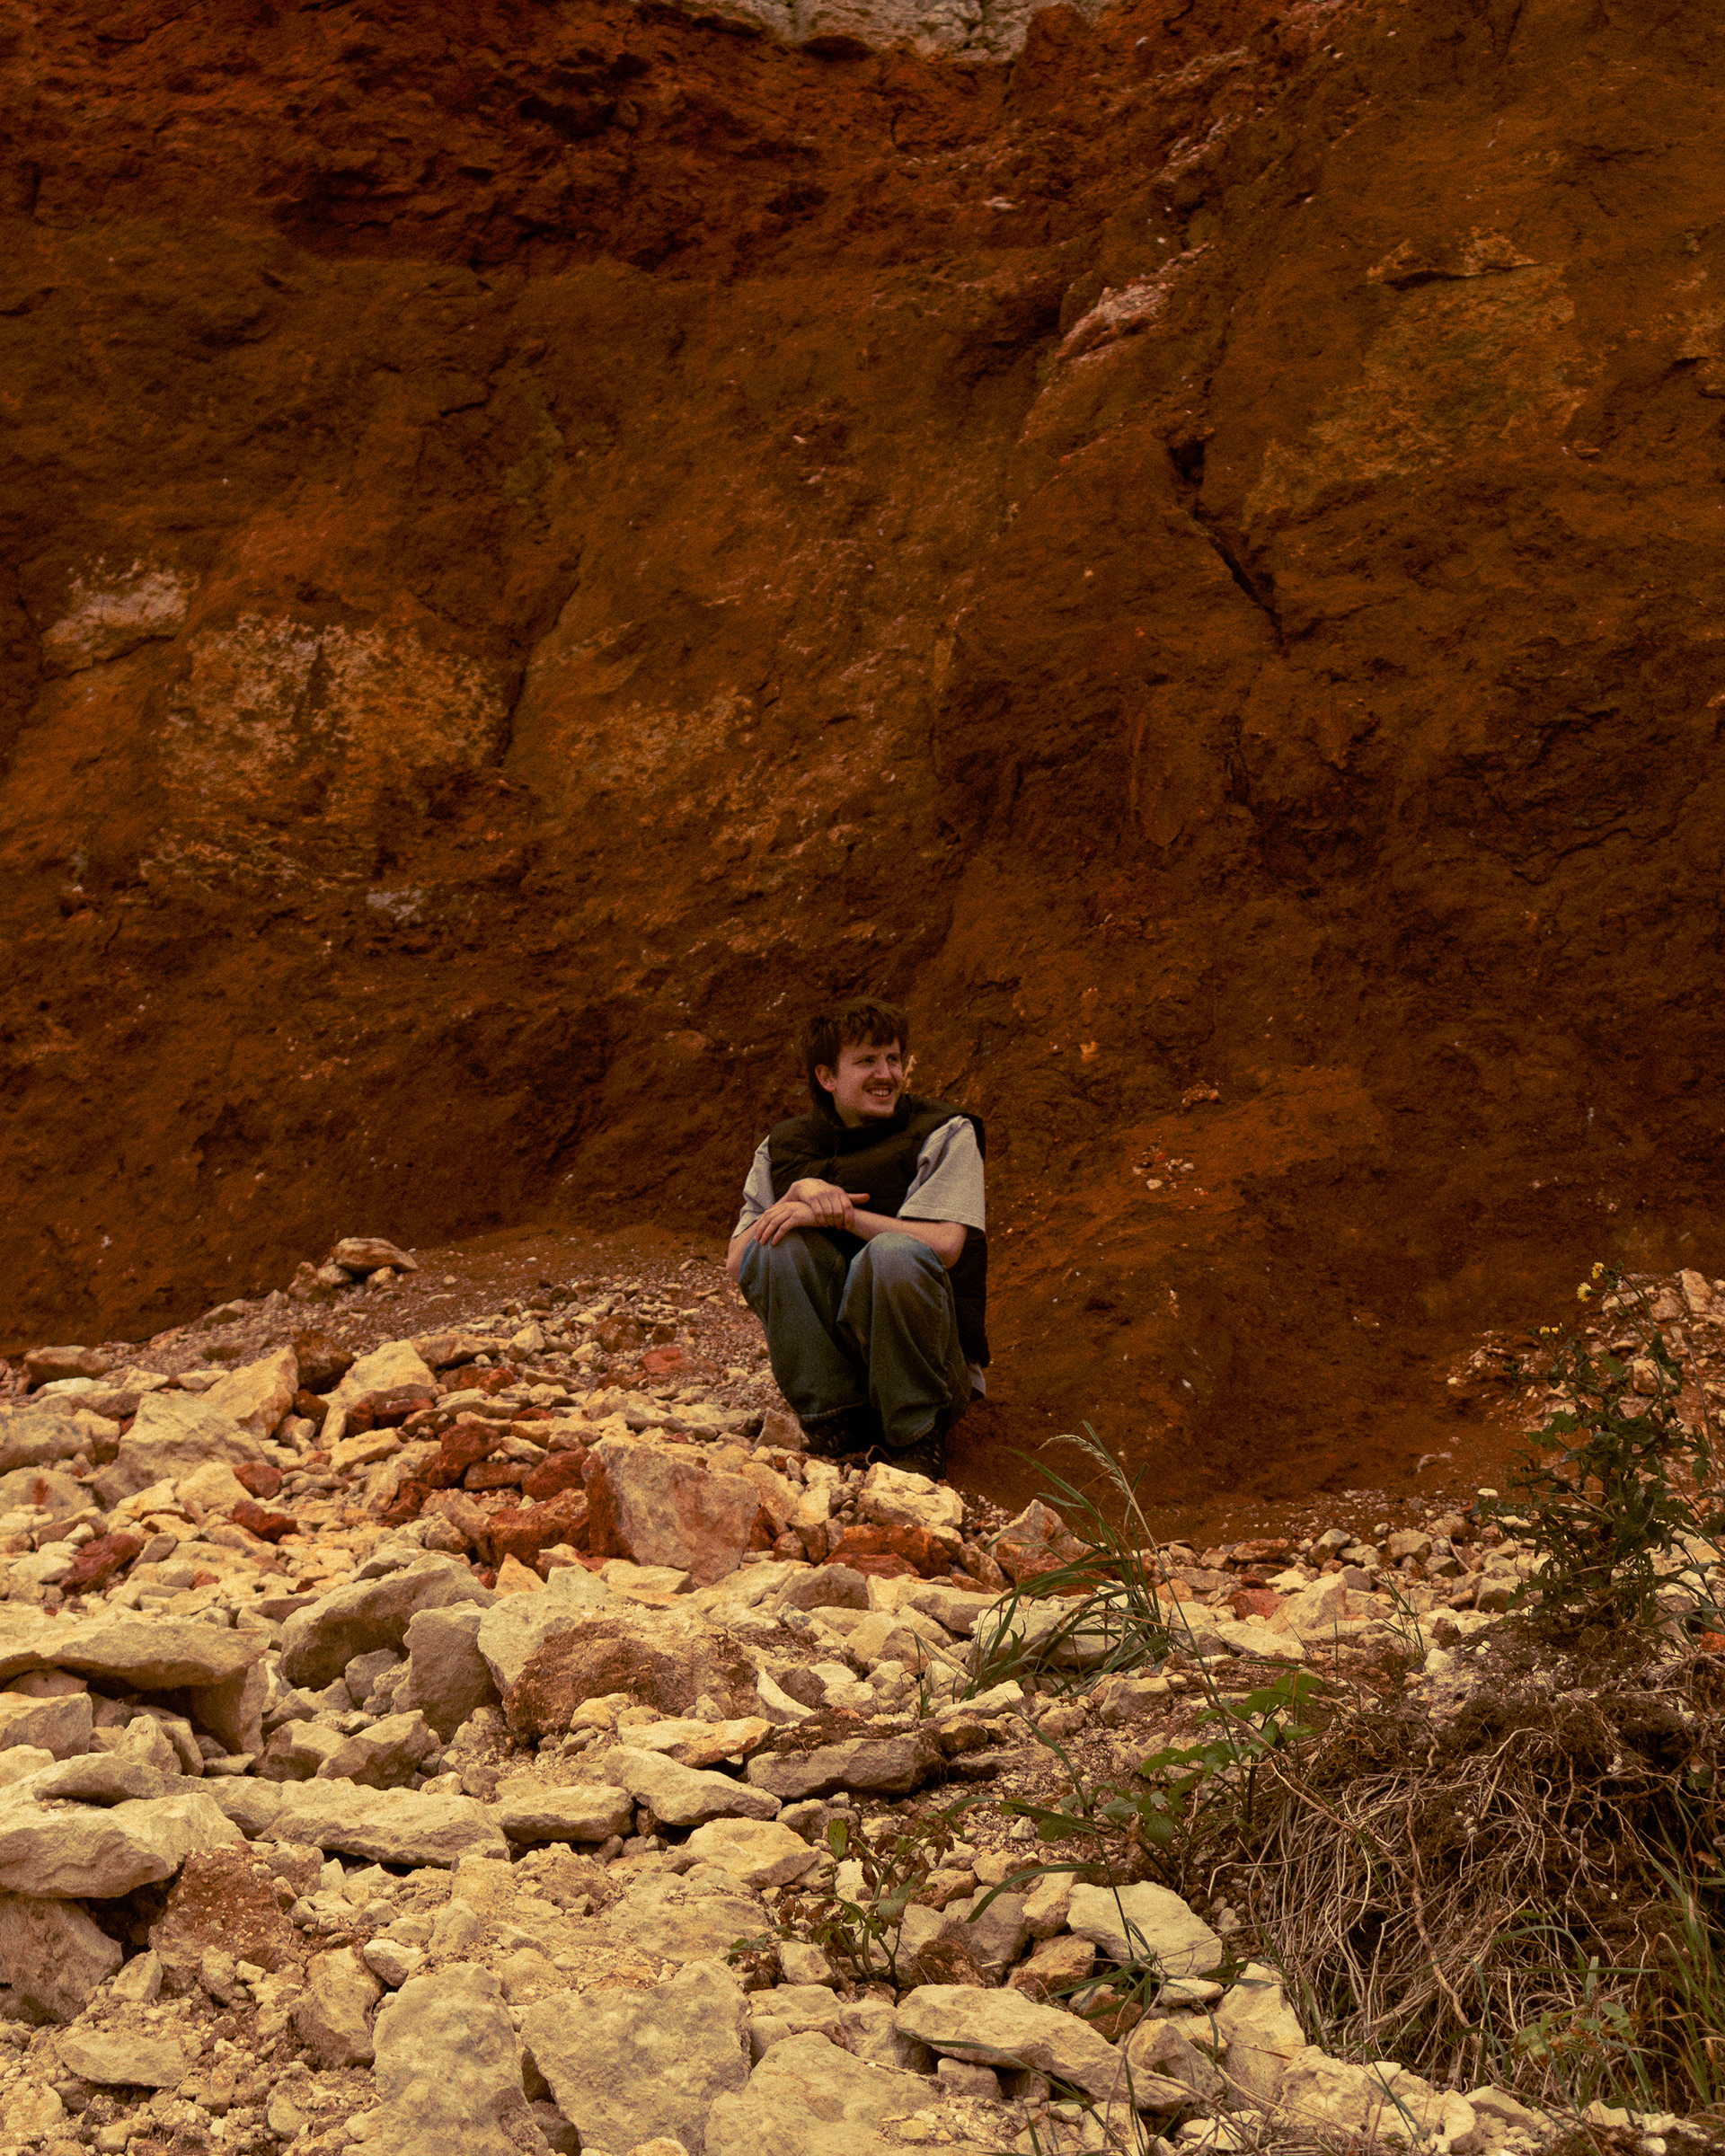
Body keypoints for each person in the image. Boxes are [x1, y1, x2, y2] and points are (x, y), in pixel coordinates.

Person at [725, 996, 988, 1479]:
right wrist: (795, 1198)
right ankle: (836, 1425)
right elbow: (739, 1262)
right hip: (843, 1381)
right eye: (867, 1061)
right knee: (773, 1245)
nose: (886, 1074)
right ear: (827, 1078)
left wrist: (843, 1216)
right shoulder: (782, 1148)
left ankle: (916, 1436)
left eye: (893, 1059)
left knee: (892, 1255)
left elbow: (948, 1245)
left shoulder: (945, 1132)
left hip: (934, 1371)